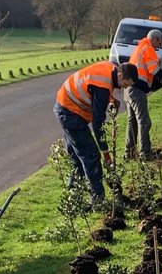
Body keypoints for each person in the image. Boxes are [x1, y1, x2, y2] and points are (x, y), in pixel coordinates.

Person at [54, 61, 138, 204]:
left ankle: (74, 198)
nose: (125, 87)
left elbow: (97, 88)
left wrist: (110, 99)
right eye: (125, 83)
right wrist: (105, 152)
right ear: (120, 74)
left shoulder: (111, 70)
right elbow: (98, 122)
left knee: (77, 157)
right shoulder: (102, 85)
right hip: (70, 113)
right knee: (91, 155)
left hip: (65, 106)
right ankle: (98, 199)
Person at [126, 30, 162, 160]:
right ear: (154, 39)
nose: (159, 46)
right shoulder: (148, 48)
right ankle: (145, 154)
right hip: (137, 89)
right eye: (159, 43)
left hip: (128, 88)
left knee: (132, 122)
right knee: (144, 122)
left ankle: (129, 153)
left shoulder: (139, 47)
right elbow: (154, 69)